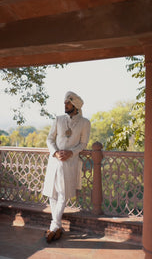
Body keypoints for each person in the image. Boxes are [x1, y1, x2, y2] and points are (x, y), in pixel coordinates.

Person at [43, 91, 91, 243]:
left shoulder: (85, 123)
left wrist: (71, 152)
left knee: (63, 193)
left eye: (67, 103)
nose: (65, 105)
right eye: (64, 103)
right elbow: (49, 139)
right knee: (52, 193)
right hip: (55, 160)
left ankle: (53, 226)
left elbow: (83, 143)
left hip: (69, 162)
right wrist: (55, 152)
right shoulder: (58, 119)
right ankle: (56, 227)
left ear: (75, 105)